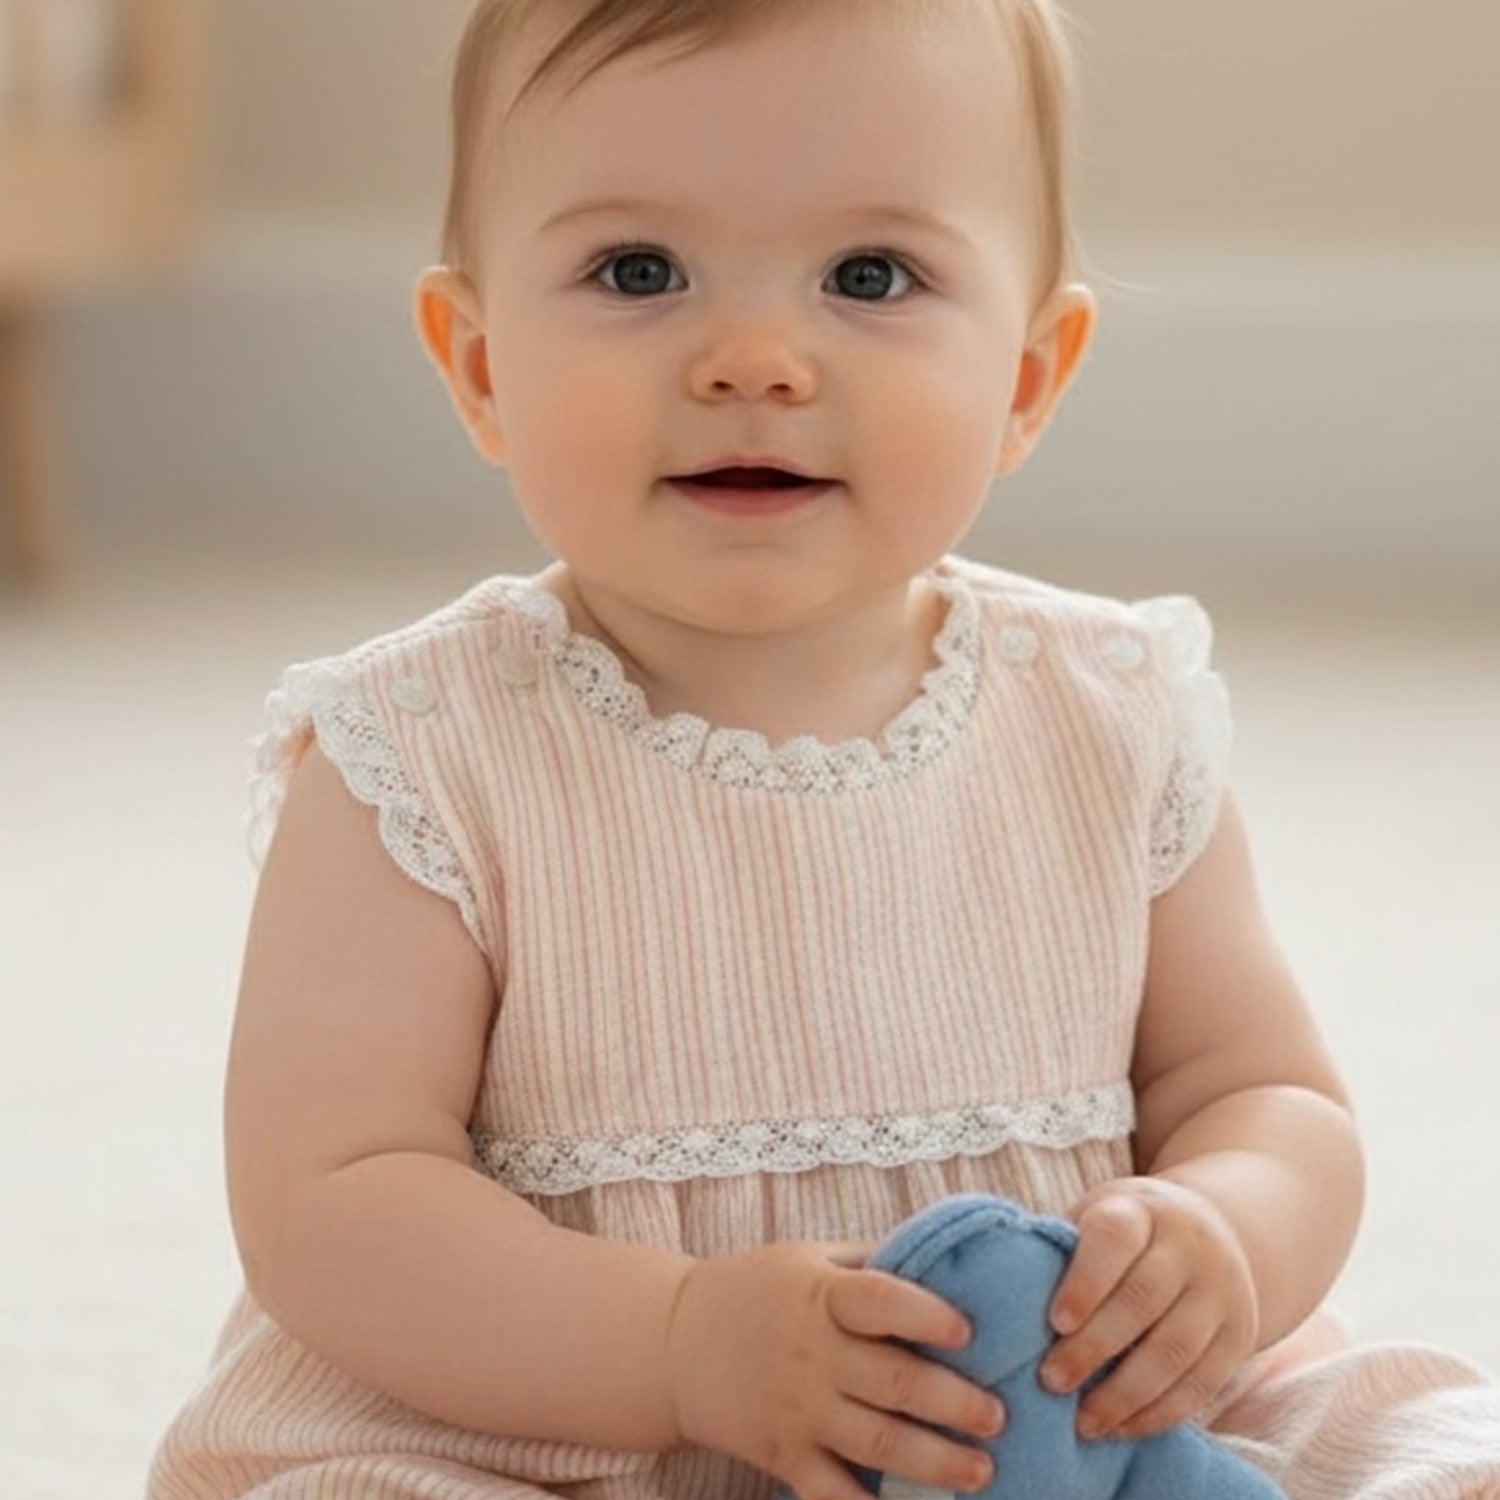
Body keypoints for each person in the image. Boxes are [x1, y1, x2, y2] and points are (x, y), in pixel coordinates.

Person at [147, 1, 1500, 1496]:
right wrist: (675, 1341)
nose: (754, 358)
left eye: (870, 276)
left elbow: (1266, 1094)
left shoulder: (1108, 712)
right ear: (474, 363)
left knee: (1423, 1445)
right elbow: (332, 1209)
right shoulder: (424, 758)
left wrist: (1226, 1236)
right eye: (637, 271)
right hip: (573, 1430)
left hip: (1075, 1419)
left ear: (1031, 380)